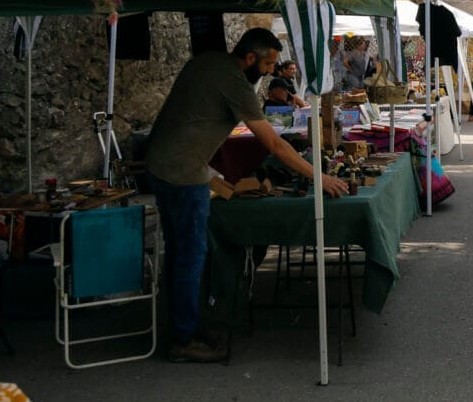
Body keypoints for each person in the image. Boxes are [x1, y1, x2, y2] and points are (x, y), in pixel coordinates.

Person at [145, 28, 348, 363]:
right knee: (191, 254)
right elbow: (273, 144)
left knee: (179, 251)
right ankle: (183, 337)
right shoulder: (235, 82)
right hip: (182, 172)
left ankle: (183, 327)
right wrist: (318, 176)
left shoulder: (208, 62)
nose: (270, 71)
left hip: (161, 163)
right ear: (250, 57)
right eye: (267, 64)